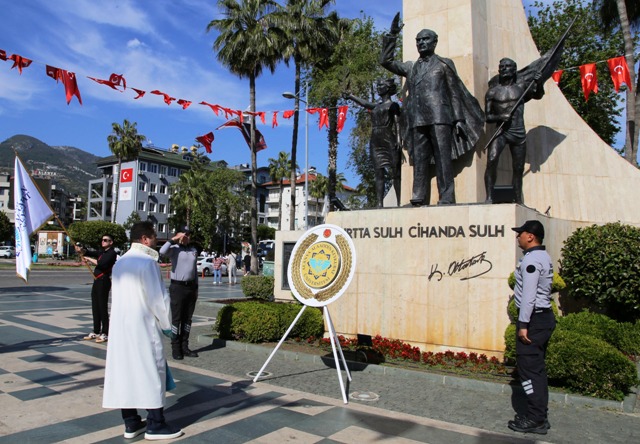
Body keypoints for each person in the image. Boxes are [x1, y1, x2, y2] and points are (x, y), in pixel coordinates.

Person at [380, 13, 484, 206]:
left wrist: (459, 119)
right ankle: (418, 196)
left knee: (443, 158)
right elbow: (385, 62)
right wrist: (392, 36)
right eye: (418, 40)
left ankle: (447, 196)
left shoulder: (444, 64)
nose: (421, 43)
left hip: (440, 116)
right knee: (419, 159)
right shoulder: (411, 67)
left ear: (435, 42)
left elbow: (454, 92)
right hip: (417, 118)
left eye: (425, 39)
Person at [103, 221, 183, 440]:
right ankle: (156, 424)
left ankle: (131, 422)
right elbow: (158, 298)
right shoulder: (147, 263)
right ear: (145, 239)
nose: (156, 241)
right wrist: (167, 326)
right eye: (154, 237)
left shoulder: (120, 263)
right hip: (143, 326)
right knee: (150, 372)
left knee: (125, 372)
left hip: (121, 327)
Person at [508, 220, 555, 435]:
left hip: (533, 320)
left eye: (520, 233)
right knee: (536, 371)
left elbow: (528, 296)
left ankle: (535, 419)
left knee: (529, 372)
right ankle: (538, 415)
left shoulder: (532, 260)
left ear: (530, 236)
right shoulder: (542, 256)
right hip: (541, 318)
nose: (517, 237)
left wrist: (523, 325)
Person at [484, 58, 543, 204]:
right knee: (491, 160)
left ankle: (518, 199)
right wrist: (500, 116)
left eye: (507, 66)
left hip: (518, 133)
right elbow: (487, 117)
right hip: (501, 132)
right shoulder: (492, 92)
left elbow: (538, 95)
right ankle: (489, 197)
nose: (504, 68)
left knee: (518, 168)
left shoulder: (521, 88)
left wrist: (539, 82)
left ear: (514, 69)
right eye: (502, 66)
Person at [344, 78, 402, 208]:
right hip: (375, 140)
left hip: (389, 138)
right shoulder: (376, 106)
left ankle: (399, 202)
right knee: (378, 173)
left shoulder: (393, 105)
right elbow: (364, 103)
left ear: (387, 88)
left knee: (395, 173)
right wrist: (351, 96)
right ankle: (379, 203)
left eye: (381, 85)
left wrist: (399, 139)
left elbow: (397, 123)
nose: (378, 88)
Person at [159, 226, 199, 360]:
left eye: (189, 234)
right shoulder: (174, 249)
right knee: (176, 319)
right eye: (184, 234)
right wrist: (174, 239)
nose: (187, 236)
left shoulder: (193, 250)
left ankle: (185, 346)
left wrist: (196, 288)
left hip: (191, 287)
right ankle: (175, 348)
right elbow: (162, 251)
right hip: (178, 287)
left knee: (187, 319)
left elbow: (194, 270)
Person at [76, 233, 117, 343]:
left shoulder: (112, 253)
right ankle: (96, 330)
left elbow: (101, 264)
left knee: (102, 307)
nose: (103, 241)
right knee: (95, 306)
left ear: (111, 242)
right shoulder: (102, 252)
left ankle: (105, 333)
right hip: (97, 280)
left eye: (106, 240)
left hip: (104, 281)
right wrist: (81, 250)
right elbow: (90, 252)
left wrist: (89, 259)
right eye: (102, 240)